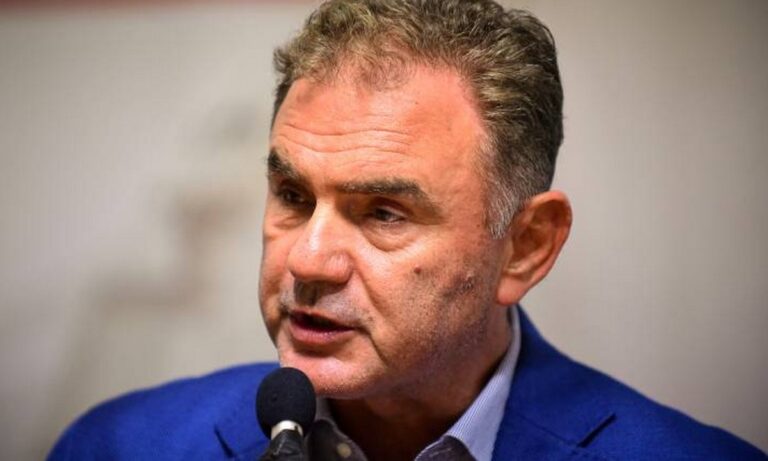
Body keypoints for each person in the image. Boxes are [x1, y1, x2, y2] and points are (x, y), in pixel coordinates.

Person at [48, 1, 766, 460]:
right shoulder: (117, 445)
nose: (307, 260)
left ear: (526, 247)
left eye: (384, 213)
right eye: (292, 195)